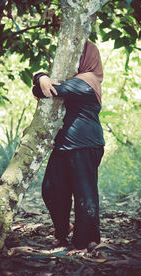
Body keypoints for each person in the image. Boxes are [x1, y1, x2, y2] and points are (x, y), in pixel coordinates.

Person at [32, 40, 105, 252]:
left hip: (86, 144)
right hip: (64, 145)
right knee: (52, 190)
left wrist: (40, 76)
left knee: (84, 193)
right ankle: (62, 232)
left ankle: (87, 240)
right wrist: (41, 78)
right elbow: (43, 90)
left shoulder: (89, 81)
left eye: (79, 55)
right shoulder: (73, 81)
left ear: (87, 58)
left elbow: (45, 91)